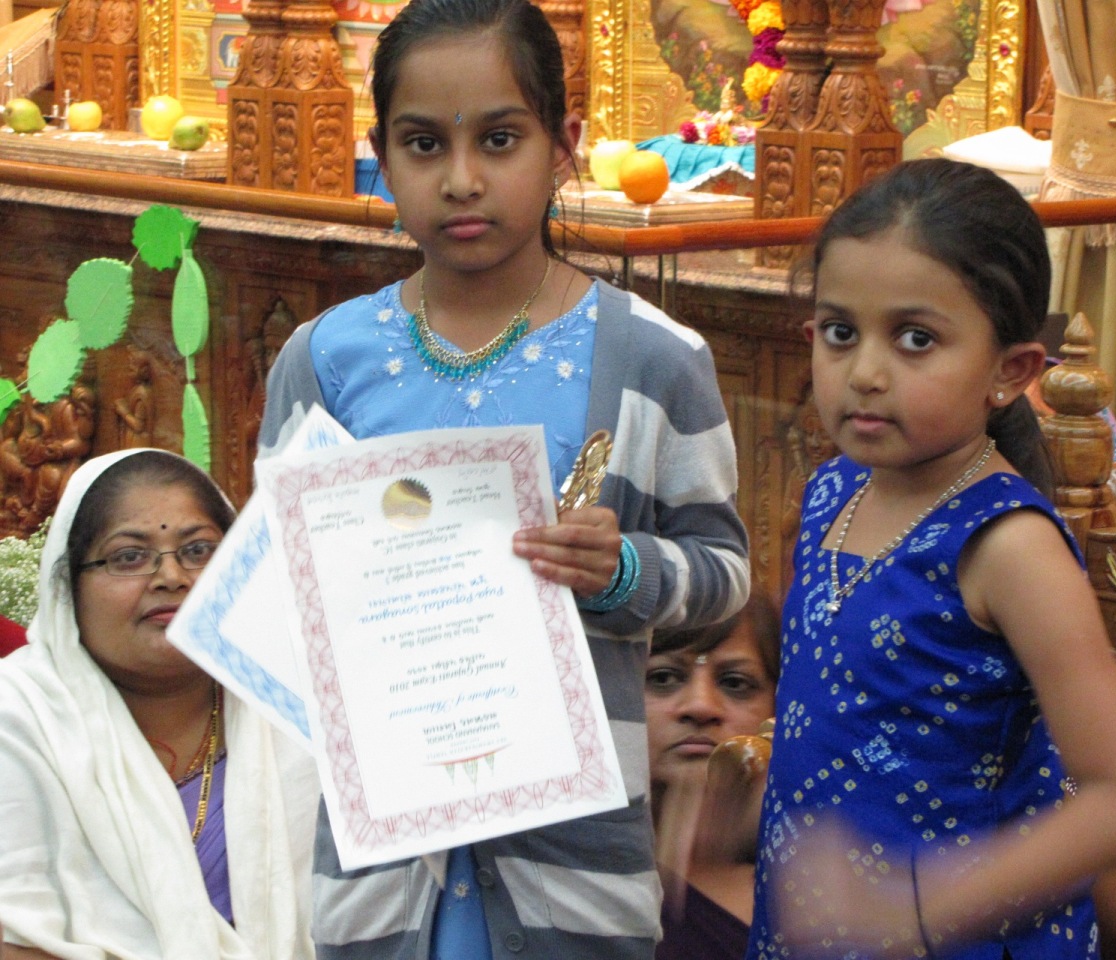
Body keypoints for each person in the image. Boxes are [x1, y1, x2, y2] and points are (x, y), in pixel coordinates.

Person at [257, 0, 750, 956]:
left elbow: (723, 571)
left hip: (571, 869)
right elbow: (282, 598)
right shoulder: (321, 364)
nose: (463, 178)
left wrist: (623, 572)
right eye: (423, 144)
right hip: (383, 870)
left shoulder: (651, 359)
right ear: (381, 155)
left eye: (499, 138)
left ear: (565, 145)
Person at [748, 158, 1116, 959]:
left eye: (916, 339)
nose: (865, 373)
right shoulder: (837, 489)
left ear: (1010, 372)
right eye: (841, 332)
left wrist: (920, 905)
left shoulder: (1009, 545)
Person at [0, 449, 318, 960]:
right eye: (129, 556)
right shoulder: (19, 717)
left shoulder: (297, 702)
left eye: (198, 550)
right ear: (68, 588)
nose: (171, 576)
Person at [646, 590, 780, 960]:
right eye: (663, 677)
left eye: (735, 683)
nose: (701, 706)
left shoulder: (813, 878)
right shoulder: (570, 876)